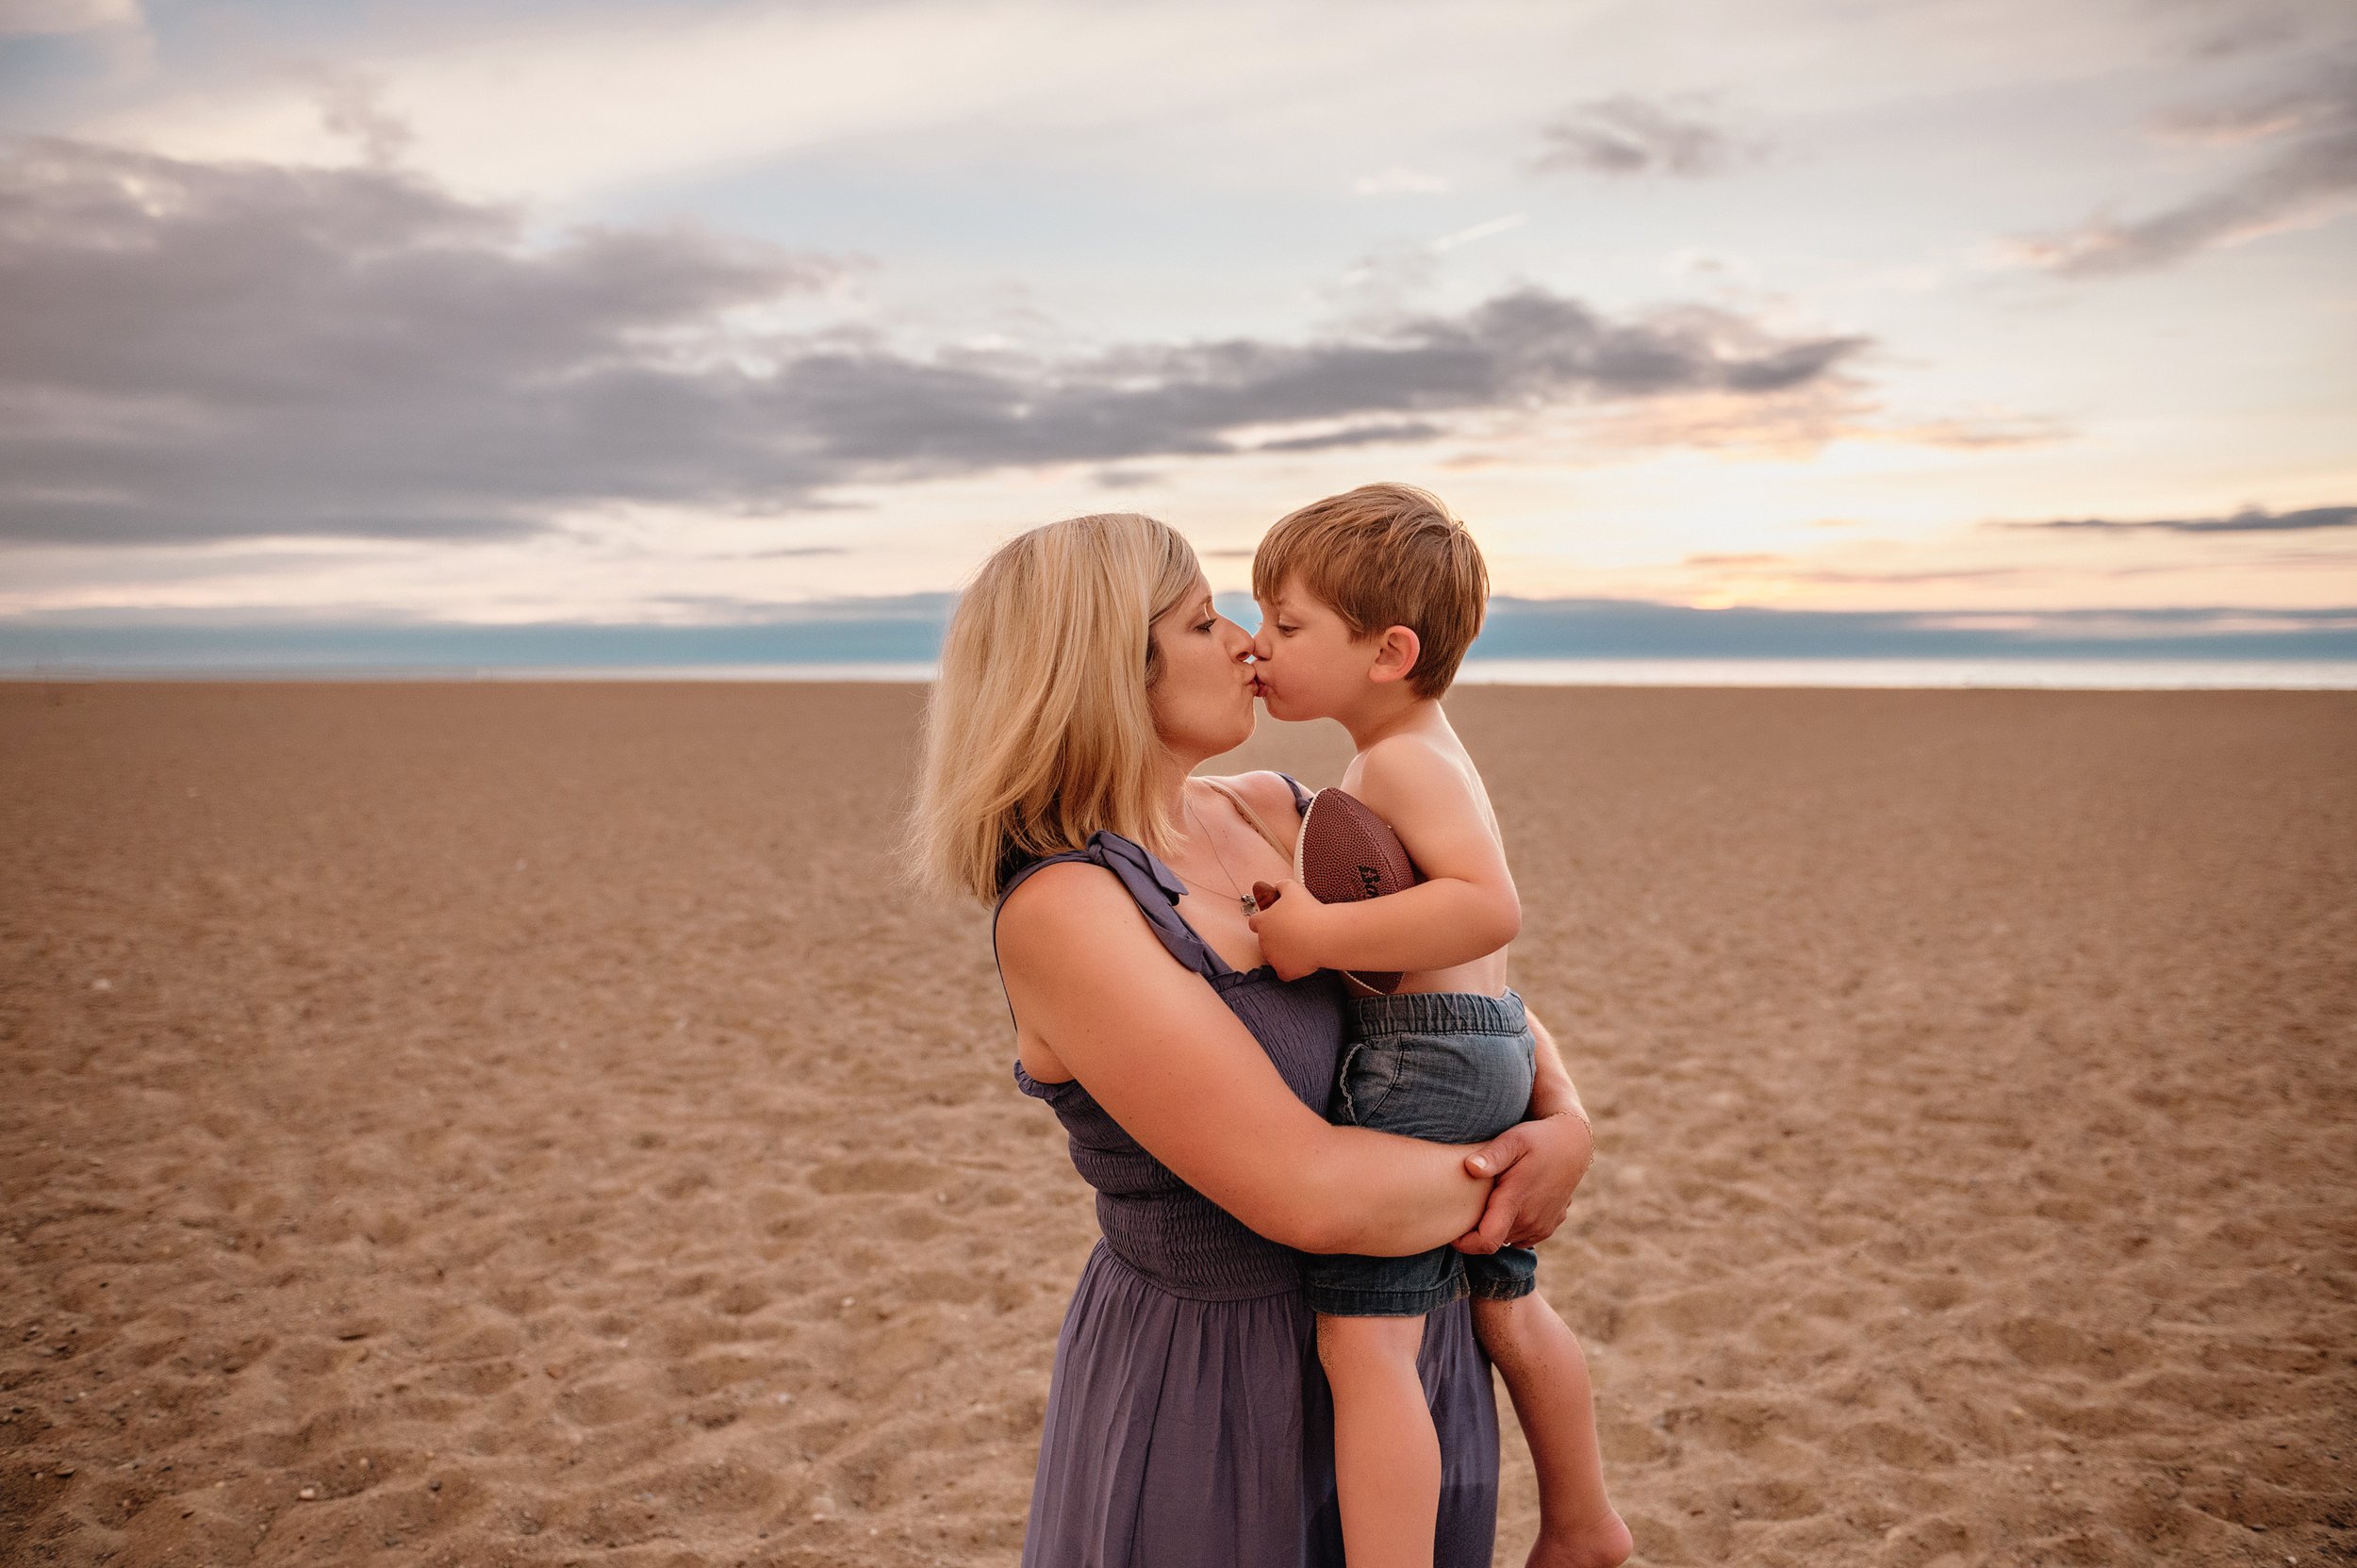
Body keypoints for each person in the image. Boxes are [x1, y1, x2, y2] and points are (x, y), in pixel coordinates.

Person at [909, 511, 1598, 1567]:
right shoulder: (1067, 910)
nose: (1243, 641)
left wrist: (1566, 1120)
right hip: (1218, 1393)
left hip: (1410, 1342)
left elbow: (1450, 981)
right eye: (1200, 622)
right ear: (1106, 673)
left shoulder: (1279, 810)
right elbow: (1310, 1194)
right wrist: (1511, 1180)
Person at [1245, 485, 1631, 1568]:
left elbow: (1486, 905)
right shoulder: (1416, 748)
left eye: (1286, 624)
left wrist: (1317, 932)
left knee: (1365, 1348)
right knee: (1506, 1307)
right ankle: (1583, 1520)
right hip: (1488, 1038)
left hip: (1425, 1051)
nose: (1258, 647)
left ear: (1388, 650)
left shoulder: (1401, 759)